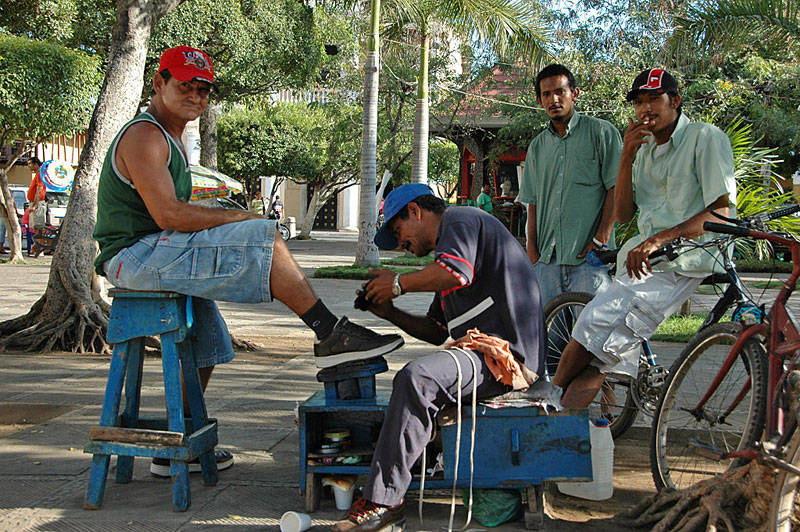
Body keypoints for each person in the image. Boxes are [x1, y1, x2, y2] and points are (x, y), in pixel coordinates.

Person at [92, 45, 403, 477]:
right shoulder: (145, 135)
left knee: (209, 340)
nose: (196, 97)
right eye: (185, 86)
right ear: (158, 83)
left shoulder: (173, 138)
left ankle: (176, 446)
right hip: (134, 255)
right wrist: (239, 217)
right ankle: (329, 332)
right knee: (263, 234)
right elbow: (168, 215)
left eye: (203, 90)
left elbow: (173, 216)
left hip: (154, 249)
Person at [331, 183, 545, 532]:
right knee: (417, 380)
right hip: (481, 355)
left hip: (508, 358)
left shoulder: (459, 220)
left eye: (398, 232)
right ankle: (393, 482)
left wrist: (398, 283)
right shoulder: (446, 254)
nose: (401, 245)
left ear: (415, 211)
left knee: (417, 378)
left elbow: (456, 273)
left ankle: (384, 501)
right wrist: (390, 312)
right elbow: (436, 329)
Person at [552, 68, 736, 408]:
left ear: (675, 101)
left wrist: (660, 240)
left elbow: (720, 213)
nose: (645, 109)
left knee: (593, 323)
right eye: (639, 102)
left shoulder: (704, 137)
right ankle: (555, 428)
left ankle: (547, 397)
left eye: (654, 98)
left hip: (686, 259)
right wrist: (625, 158)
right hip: (642, 263)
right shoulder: (644, 149)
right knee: (598, 360)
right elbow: (624, 214)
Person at [517, 64, 622, 307]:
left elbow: (616, 188)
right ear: (539, 100)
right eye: (546, 94)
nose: (553, 99)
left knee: (593, 337)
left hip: (589, 259)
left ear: (574, 94)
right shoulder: (538, 146)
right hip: (547, 260)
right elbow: (531, 200)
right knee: (549, 337)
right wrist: (532, 251)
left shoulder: (601, 133)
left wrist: (601, 238)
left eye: (560, 92)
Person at [26, 157, 46, 257]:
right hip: (34, 203)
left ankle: (39, 249)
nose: (28, 166)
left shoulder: (40, 174)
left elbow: (39, 190)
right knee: (35, 227)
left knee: (38, 227)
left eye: (30, 164)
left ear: (35, 164)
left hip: (37, 204)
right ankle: (36, 248)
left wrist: (34, 205)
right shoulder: (37, 174)